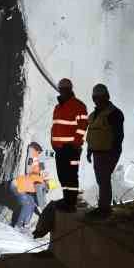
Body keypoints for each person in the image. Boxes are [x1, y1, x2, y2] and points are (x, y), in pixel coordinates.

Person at [85, 84, 126, 218]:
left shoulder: (114, 114)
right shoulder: (94, 115)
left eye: (100, 97)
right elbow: (91, 134)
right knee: (101, 179)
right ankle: (103, 207)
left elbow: (118, 135)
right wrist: (89, 151)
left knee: (104, 179)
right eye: (96, 98)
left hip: (108, 152)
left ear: (106, 97)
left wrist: (114, 152)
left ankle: (104, 209)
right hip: (98, 152)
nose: (98, 100)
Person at [50, 78, 89, 211]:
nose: (63, 92)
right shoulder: (58, 107)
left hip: (72, 149)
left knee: (71, 175)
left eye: (65, 89)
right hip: (60, 149)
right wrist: (53, 143)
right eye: (61, 89)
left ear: (70, 89)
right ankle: (67, 199)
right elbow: (55, 126)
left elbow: (83, 125)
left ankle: (71, 203)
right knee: (62, 175)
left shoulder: (79, 105)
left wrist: (75, 144)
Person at [10, 142, 47, 233]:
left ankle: (25, 225)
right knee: (27, 203)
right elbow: (41, 201)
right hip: (16, 185)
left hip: (21, 186)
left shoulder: (40, 180)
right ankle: (18, 225)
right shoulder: (39, 184)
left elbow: (38, 202)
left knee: (31, 203)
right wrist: (44, 212)